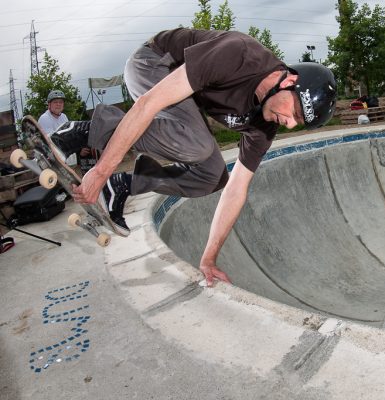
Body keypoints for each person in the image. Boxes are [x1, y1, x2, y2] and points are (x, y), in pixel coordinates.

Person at [48, 28, 337, 286]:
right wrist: (99, 170)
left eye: (298, 123)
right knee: (197, 146)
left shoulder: (265, 125)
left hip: (184, 98)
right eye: (295, 113)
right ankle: (81, 131)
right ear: (289, 81)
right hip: (153, 64)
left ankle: (123, 185)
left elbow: (238, 188)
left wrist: (209, 258)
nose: (288, 123)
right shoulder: (239, 54)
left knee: (213, 176)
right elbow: (149, 104)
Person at [38, 90, 77, 166]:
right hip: (50, 159)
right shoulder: (45, 118)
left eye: (61, 102)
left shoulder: (63, 117)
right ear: (49, 105)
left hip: (63, 156)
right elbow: (51, 142)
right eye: (55, 102)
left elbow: (69, 135)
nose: (58, 104)